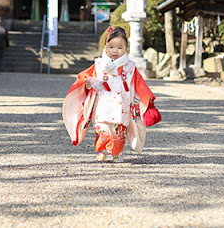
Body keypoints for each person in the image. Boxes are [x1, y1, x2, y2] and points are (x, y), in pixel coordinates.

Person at [62, 26, 160, 163]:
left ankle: (117, 152)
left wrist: (147, 100)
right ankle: (101, 151)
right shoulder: (99, 65)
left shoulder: (130, 67)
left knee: (118, 131)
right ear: (105, 46)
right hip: (102, 104)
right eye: (111, 47)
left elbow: (140, 85)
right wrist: (88, 83)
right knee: (102, 129)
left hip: (122, 105)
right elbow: (84, 77)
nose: (115, 51)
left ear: (126, 48)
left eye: (120, 47)